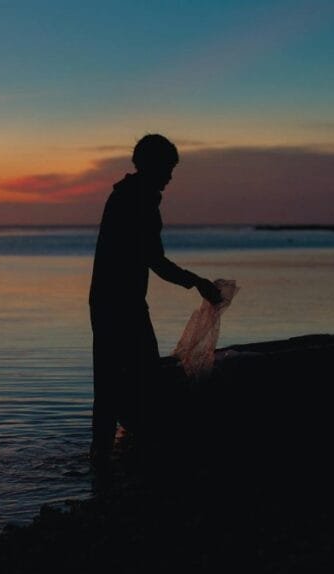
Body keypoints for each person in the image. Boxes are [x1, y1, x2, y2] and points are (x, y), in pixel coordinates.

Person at [88, 134, 222, 459]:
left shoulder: (122, 195)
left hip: (104, 300)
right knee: (144, 378)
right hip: (124, 304)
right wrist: (198, 282)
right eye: (168, 168)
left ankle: (103, 459)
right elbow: (155, 260)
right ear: (153, 166)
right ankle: (143, 455)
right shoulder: (141, 200)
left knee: (109, 383)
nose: (170, 177)